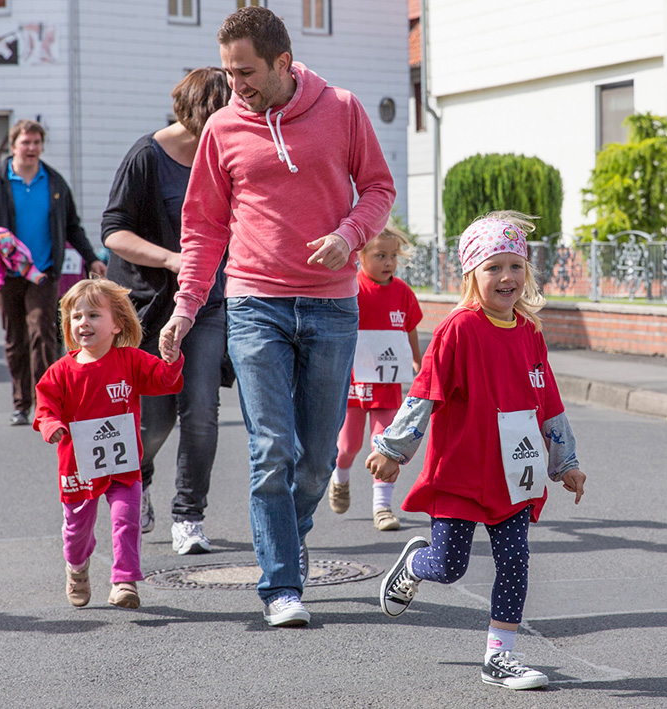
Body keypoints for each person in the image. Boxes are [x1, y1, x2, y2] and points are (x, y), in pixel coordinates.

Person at [158, 6, 395, 627]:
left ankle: (291, 534)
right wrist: (186, 308)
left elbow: (378, 187)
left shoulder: (341, 108)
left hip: (331, 304)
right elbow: (204, 227)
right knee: (272, 448)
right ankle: (281, 587)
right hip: (254, 303)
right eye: (229, 72)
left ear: (283, 63)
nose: (236, 85)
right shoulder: (221, 130)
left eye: (246, 72)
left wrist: (350, 235)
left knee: (317, 459)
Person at [366, 212, 587, 690]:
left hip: (514, 477)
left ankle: (500, 655)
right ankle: (413, 564)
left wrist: (565, 462)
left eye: (514, 266)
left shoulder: (529, 333)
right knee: (448, 566)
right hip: (462, 474)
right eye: (492, 267)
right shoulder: (458, 330)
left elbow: (549, 402)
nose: (506, 277)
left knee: (515, 560)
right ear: (471, 274)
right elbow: (424, 393)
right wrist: (392, 449)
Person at [101, 67, 231, 556]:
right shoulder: (147, 156)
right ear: (197, 112)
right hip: (149, 309)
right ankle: (144, 476)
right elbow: (113, 231)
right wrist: (172, 258)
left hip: (208, 304)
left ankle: (189, 516)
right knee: (154, 423)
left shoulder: (226, 155)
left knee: (202, 413)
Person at [33, 278, 184, 609]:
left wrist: (171, 359)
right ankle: (77, 568)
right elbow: (44, 409)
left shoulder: (130, 361)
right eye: (76, 317)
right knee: (76, 533)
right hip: (77, 465)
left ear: (117, 324)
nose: (83, 323)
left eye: (93, 315)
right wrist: (52, 426)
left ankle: (124, 580)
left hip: (124, 463)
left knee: (127, 518)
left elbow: (164, 381)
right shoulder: (60, 372)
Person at [0, 119, 106, 427]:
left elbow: (72, 226)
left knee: (43, 331)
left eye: (37, 143)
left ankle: (47, 403)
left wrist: (91, 258)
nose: (31, 148)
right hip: (6, 273)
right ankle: (21, 403)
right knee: (16, 338)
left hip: (43, 273)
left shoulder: (54, 182)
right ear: (13, 146)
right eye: (26, 143)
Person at [328, 220, 422, 531]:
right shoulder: (351, 288)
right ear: (360, 256)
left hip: (387, 384)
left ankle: (382, 507)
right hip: (354, 381)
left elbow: (410, 329)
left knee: (384, 445)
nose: (389, 262)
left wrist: (418, 362)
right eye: (380, 255)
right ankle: (339, 478)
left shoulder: (403, 293)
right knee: (348, 446)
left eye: (393, 256)